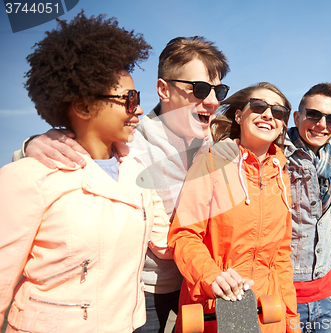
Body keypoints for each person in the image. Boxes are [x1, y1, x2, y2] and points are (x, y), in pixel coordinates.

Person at [12, 36, 231, 333]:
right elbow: (70, 155)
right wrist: (32, 144)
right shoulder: (128, 140)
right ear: (163, 89)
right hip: (140, 292)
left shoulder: (215, 144)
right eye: (201, 89)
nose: (213, 101)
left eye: (219, 90)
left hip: (196, 283)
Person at [0, 12, 173, 332]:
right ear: (82, 106)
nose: (137, 109)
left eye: (138, 98)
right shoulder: (26, 178)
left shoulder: (139, 173)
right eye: (128, 99)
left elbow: (167, 243)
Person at [167, 82, 300, 333]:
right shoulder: (210, 162)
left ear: (282, 124)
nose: (268, 115)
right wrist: (212, 277)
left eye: (278, 112)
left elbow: (281, 256)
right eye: (259, 106)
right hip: (213, 310)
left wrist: (292, 322)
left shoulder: (281, 176)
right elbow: (184, 235)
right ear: (239, 115)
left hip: (267, 315)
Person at [285, 83, 331, 333]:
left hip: (330, 295)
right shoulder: (275, 153)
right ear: (297, 117)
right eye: (314, 115)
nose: (322, 124)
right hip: (285, 292)